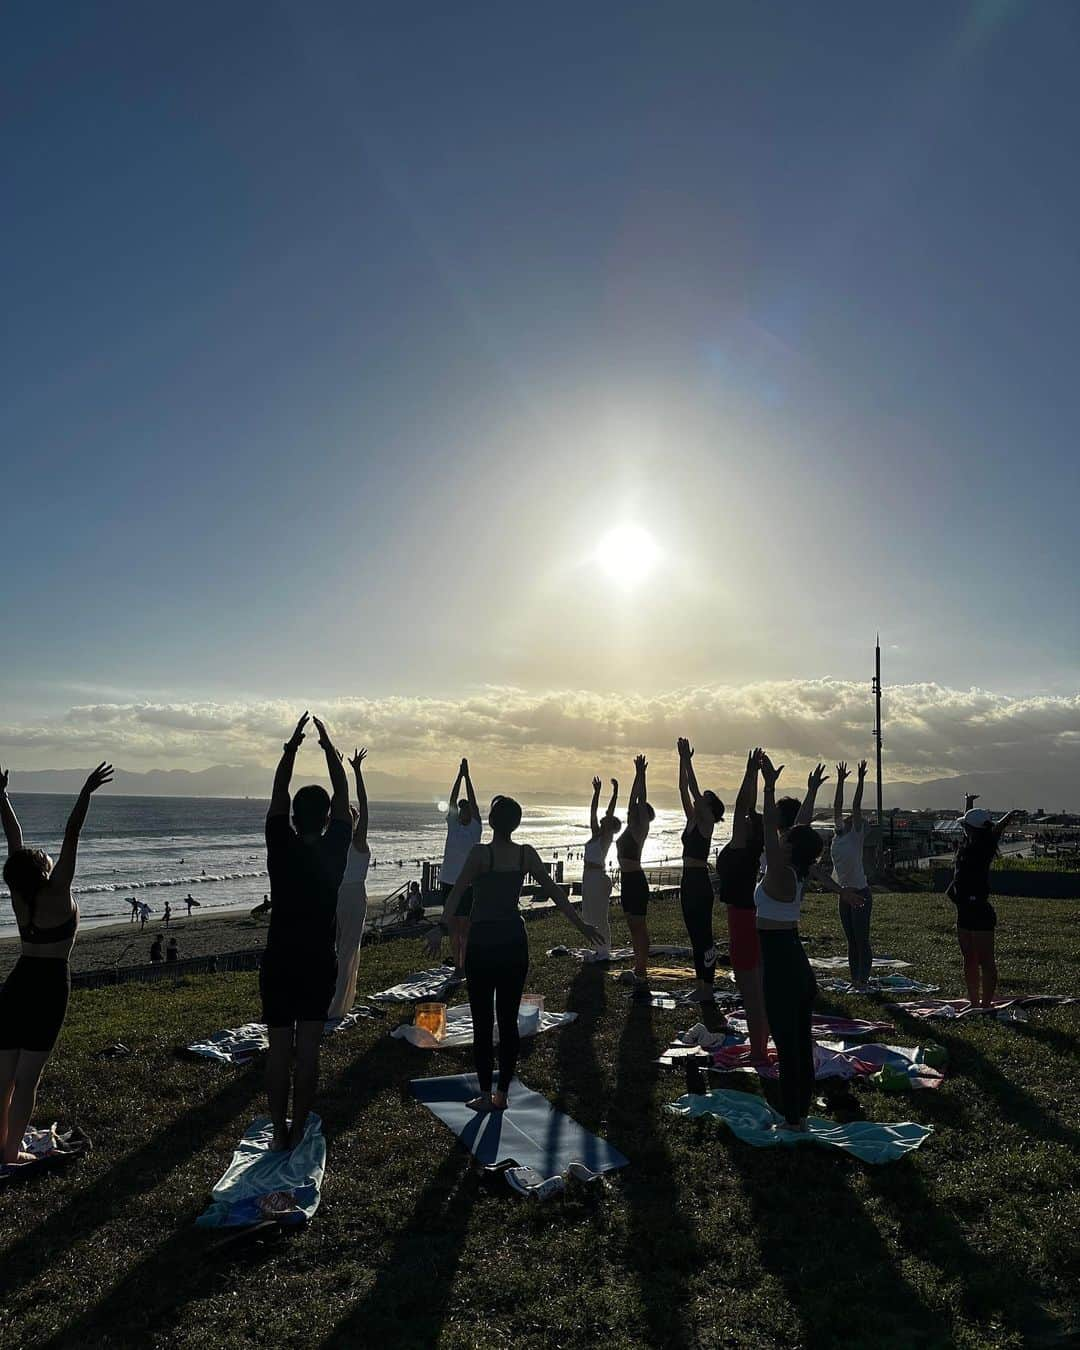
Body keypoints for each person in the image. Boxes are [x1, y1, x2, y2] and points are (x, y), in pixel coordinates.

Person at [426, 795, 603, 1112]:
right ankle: (502, 1095)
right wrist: (581, 925)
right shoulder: (525, 855)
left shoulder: (481, 854)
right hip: (513, 942)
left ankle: (484, 1095)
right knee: (507, 1022)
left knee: (483, 1022)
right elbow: (555, 892)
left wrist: (441, 928)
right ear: (516, 823)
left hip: (483, 943)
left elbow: (455, 894)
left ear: (492, 822)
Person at [0, 762, 113, 1164]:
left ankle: (1, 1144)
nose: (49, 857)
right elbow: (71, 833)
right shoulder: (56, 890)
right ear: (45, 870)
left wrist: (2, 796)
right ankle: (12, 1154)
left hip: (16, 982)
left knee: (4, 1079)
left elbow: (13, 838)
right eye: (45, 858)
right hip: (49, 986)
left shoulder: (19, 890)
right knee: (27, 1080)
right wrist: (85, 791)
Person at [755, 753, 864, 1131]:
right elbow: (796, 831)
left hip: (783, 963)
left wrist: (768, 786)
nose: (781, 841)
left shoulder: (782, 875)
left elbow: (772, 829)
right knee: (797, 1044)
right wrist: (812, 791)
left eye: (784, 842)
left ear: (788, 849)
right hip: (792, 960)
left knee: (789, 1046)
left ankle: (794, 1118)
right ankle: (798, 1114)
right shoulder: (795, 869)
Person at [262, 713, 352, 1152]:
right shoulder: (336, 849)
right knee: (309, 1051)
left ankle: (278, 1130)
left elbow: (279, 794)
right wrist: (328, 748)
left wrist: (291, 749)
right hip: (318, 960)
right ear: (328, 818)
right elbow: (343, 794)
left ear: (296, 818)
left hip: (279, 958)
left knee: (279, 1050)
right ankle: (298, 1128)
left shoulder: (280, 844)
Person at [715, 750, 769, 1059]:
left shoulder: (742, 846)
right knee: (755, 991)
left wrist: (750, 772)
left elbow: (740, 808)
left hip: (743, 921)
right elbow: (747, 809)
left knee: (751, 993)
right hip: (747, 918)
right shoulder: (749, 847)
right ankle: (760, 1046)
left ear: (749, 829)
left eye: (747, 822)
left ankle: (759, 1052)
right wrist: (756, 776)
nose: (742, 821)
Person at [947, 807, 1018, 1007]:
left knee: (985, 960)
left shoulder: (985, 847)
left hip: (978, 909)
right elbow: (978, 827)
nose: (964, 830)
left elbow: (994, 830)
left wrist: (1006, 818)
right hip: (964, 910)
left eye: (967, 827)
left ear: (973, 829)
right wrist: (968, 804)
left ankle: (985, 1004)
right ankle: (974, 1001)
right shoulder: (967, 846)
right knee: (969, 958)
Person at [676, 738, 725, 1001]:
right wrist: (681, 760)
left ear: (709, 808)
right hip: (687, 880)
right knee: (694, 934)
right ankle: (701, 986)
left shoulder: (707, 823)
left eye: (704, 800)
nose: (698, 801)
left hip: (699, 881)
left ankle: (708, 985)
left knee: (704, 934)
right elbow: (683, 788)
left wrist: (689, 760)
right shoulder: (692, 820)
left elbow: (693, 789)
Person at [327, 749, 371, 1020]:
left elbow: (357, 803)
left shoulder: (349, 841)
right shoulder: (345, 840)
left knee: (342, 950)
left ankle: (337, 1002)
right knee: (339, 951)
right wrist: (346, 770)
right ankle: (335, 1001)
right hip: (344, 895)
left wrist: (350, 771)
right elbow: (347, 802)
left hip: (344, 896)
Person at [832, 760, 873, 986]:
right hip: (844, 894)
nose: (847, 817)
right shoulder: (839, 834)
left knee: (861, 939)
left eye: (852, 818)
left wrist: (860, 779)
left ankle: (862, 979)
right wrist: (840, 780)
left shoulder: (856, 836)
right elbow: (838, 806)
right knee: (851, 940)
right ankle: (854, 978)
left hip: (860, 893)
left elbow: (855, 806)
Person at [440, 758, 482, 973]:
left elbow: (473, 803)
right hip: (448, 881)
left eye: (467, 810)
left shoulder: (475, 829)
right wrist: (459, 776)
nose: (464, 812)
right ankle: (457, 964)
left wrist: (468, 776)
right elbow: (453, 800)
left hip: (467, 885)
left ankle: (464, 964)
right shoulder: (453, 826)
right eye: (462, 810)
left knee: (465, 928)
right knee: (452, 927)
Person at [616, 755, 655, 986]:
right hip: (627, 880)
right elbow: (632, 801)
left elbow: (640, 802)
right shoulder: (630, 826)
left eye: (637, 813)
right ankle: (638, 966)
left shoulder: (640, 830)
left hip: (636, 880)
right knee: (633, 925)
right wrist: (637, 774)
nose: (631, 813)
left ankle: (642, 970)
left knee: (639, 926)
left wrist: (643, 775)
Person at [582, 776, 620, 959]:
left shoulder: (607, 838)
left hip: (598, 877)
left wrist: (615, 793)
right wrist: (596, 793)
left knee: (599, 915)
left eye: (607, 819)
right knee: (589, 913)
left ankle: (604, 949)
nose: (603, 819)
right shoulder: (595, 834)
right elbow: (593, 813)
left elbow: (609, 812)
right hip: (588, 877)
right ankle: (597, 947)